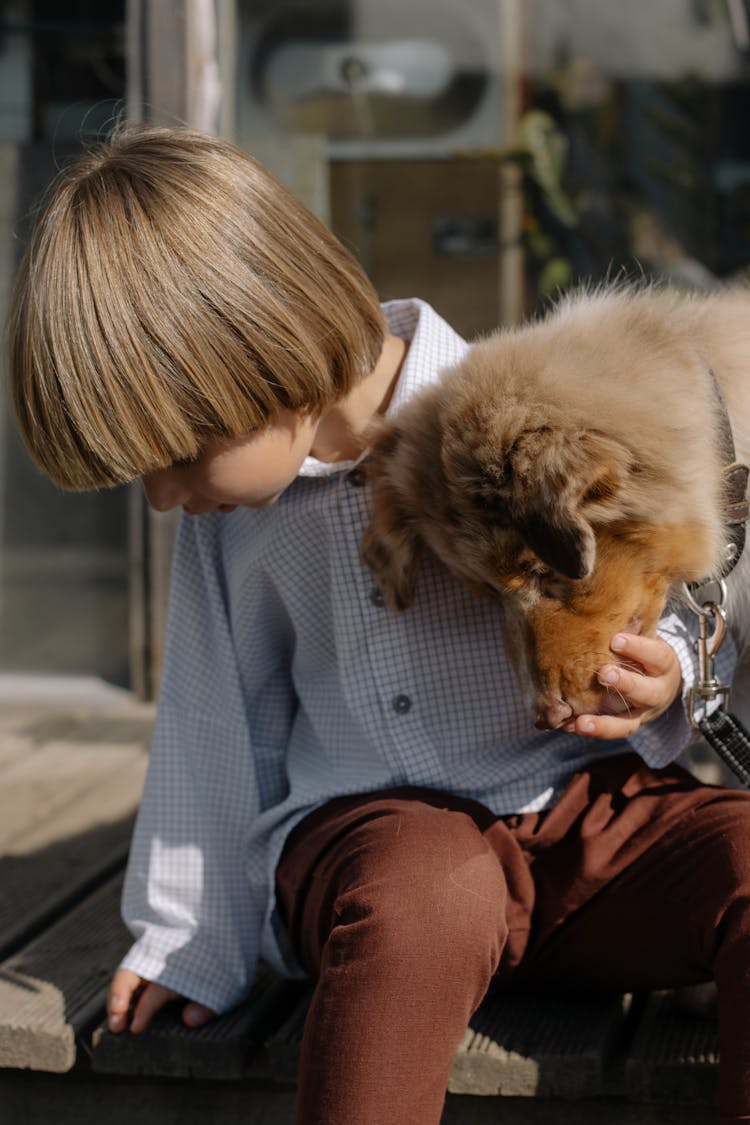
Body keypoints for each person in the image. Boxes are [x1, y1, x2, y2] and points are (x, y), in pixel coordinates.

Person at [8, 125, 750, 1125]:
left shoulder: (517, 421)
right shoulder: (235, 531)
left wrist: (658, 682)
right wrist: (190, 939)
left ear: (257, 356)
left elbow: (653, 585)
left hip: (576, 819)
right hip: (372, 850)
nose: (162, 495)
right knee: (429, 885)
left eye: (178, 454)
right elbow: (210, 721)